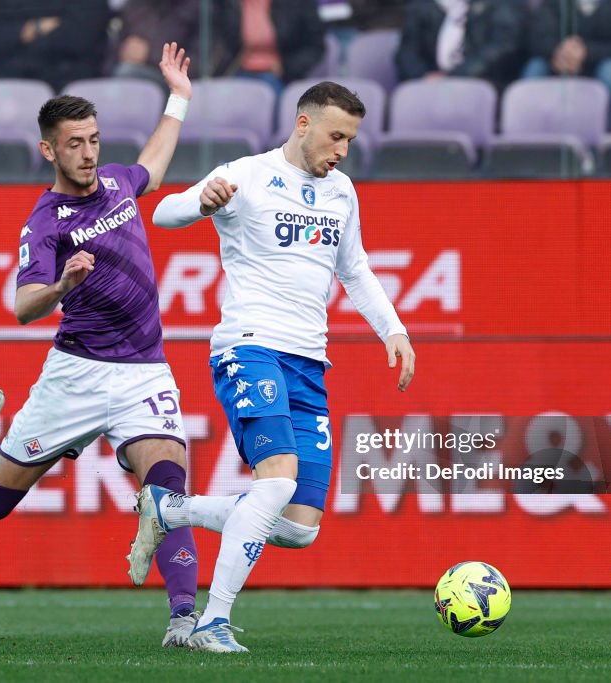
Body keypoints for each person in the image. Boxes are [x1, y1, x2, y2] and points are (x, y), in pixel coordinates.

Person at [0, 44, 201, 649]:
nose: (88, 153)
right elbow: (23, 307)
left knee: (169, 486)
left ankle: (186, 619)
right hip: (75, 376)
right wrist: (62, 285)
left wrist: (179, 95)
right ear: (49, 149)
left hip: (143, 374)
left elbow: (152, 167)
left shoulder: (117, 184)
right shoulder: (45, 222)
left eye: (94, 139)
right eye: (74, 143)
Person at [128, 81, 415, 653]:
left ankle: (169, 507)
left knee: (301, 526)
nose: (343, 150)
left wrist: (395, 330)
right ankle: (212, 621)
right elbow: (162, 212)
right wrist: (202, 201)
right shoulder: (250, 175)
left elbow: (353, 269)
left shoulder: (342, 192)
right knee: (276, 480)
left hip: (310, 362)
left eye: (351, 140)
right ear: (303, 124)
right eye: (336, 136)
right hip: (249, 347)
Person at [522, 0, 611, 96]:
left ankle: (608, 131)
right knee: (536, 66)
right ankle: (527, 133)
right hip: (564, 67)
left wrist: (586, 52)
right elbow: (536, 39)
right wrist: (560, 52)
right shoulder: (556, 3)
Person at [0, 0, 109, 91]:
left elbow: (79, 39)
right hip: (10, 86)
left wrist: (19, 40)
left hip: (69, 84)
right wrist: (34, 28)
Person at [395, 0, 529, 91]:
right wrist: (422, 77)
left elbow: (502, 47)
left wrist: (452, 77)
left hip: (484, 83)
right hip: (427, 84)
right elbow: (407, 50)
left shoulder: (503, 4)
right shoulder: (424, 6)